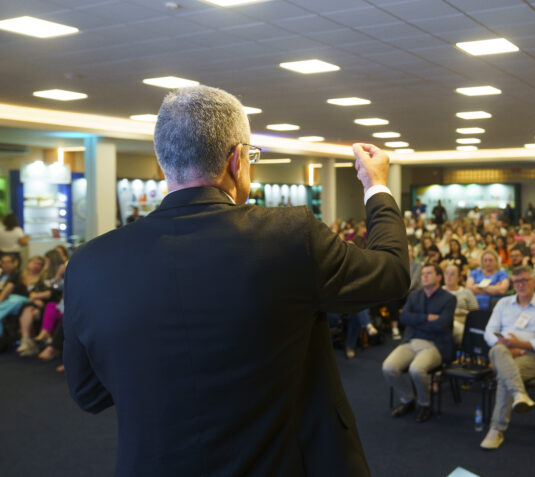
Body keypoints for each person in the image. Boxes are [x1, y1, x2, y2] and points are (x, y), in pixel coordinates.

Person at [63, 85, 409, 477]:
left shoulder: (89, 264)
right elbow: (393, 272)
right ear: (237, 160)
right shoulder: (289, 237)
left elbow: (88, 393)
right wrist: (375, 184)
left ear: (163, 165)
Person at [480, 266, 535, 450]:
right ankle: (518, 395)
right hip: (501, 352)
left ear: (534, 282)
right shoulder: (503, 303)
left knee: (505, 377)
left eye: (525, 280)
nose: (520, 285)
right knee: (498, 353)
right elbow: (489, 333)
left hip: (530, 357)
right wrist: (504, 346)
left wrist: (518, 345)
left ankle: (496, 430)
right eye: (517, 281)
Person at [382, 263, 456, 423]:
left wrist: (415, 320)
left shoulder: (449, 298)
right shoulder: (415, 295)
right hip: (411, 341)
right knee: (389, 367)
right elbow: (403, 318)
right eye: (423, 274)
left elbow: (442, 325)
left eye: (429, 273)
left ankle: (424, 404)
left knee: (417, 369)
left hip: (435, 344)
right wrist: (426, 318)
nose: (424, 276)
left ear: (439, 277)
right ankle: (408, 398)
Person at [443, 264, 478, 345]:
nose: (449, 276)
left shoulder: (467, 293)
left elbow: (475, 314)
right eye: (447, 273)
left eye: (452, 274)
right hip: (441, 323)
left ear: (459, 278)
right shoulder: (437, 291)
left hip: (461, 322)